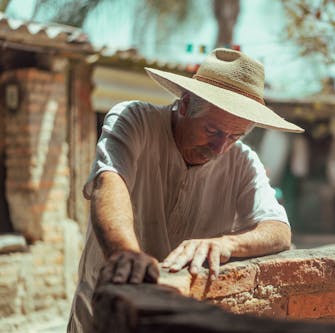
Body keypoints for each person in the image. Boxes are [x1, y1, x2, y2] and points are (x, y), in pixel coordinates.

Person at [67, 48, 303, 332]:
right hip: (105, 315)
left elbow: (278, 230)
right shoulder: (134, 120)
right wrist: (126, 254)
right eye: (213, 131)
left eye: (234, 136)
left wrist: (226, 244)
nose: (220, 148)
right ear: (185, 104)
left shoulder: (242, 160)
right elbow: (110, 182)